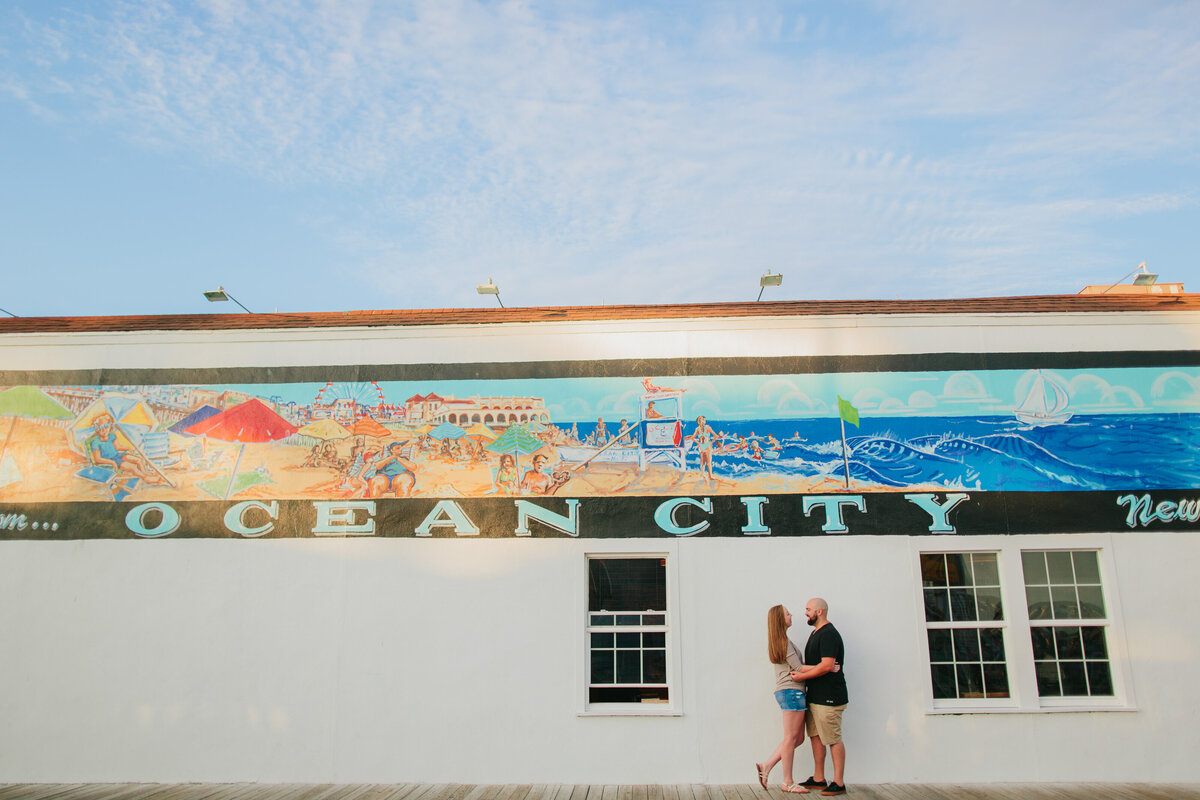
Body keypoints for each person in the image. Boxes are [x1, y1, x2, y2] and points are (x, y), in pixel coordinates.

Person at [790, 598, 849, 796]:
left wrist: (802, 675)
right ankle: (818, 778)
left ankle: (839, 782)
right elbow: (818, 664)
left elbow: (826, 665)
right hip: (814, 696)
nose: (805, 613)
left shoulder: (829, 635)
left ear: (819, 612)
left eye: (808, 610)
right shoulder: (815, 633)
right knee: (815, 737)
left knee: (833, 738)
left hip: (830, 697)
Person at [757, 605, 808, 794]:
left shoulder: (782, 640)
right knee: (790, 738)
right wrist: (825, 666)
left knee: (798, 738)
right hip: (792, 691)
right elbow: (800, 669)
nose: (791, 614)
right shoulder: (783, 641)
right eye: (787, 613)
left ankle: (766, 765)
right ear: (780, 619)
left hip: (791, 692)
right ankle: (788, 782)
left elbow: (799, 667)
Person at [689, 415, 715, 481]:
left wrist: (699, 443)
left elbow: (692, 438)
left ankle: (706, 475)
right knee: (706, 462)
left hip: (703, 446)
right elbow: (716, 436)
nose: (703, 421)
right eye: (702, 420)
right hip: (704, 445)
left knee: (705, 462)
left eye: (703, 420)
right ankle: (708, 476)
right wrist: (710, 442)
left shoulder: (702, 428)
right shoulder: (700, 428)